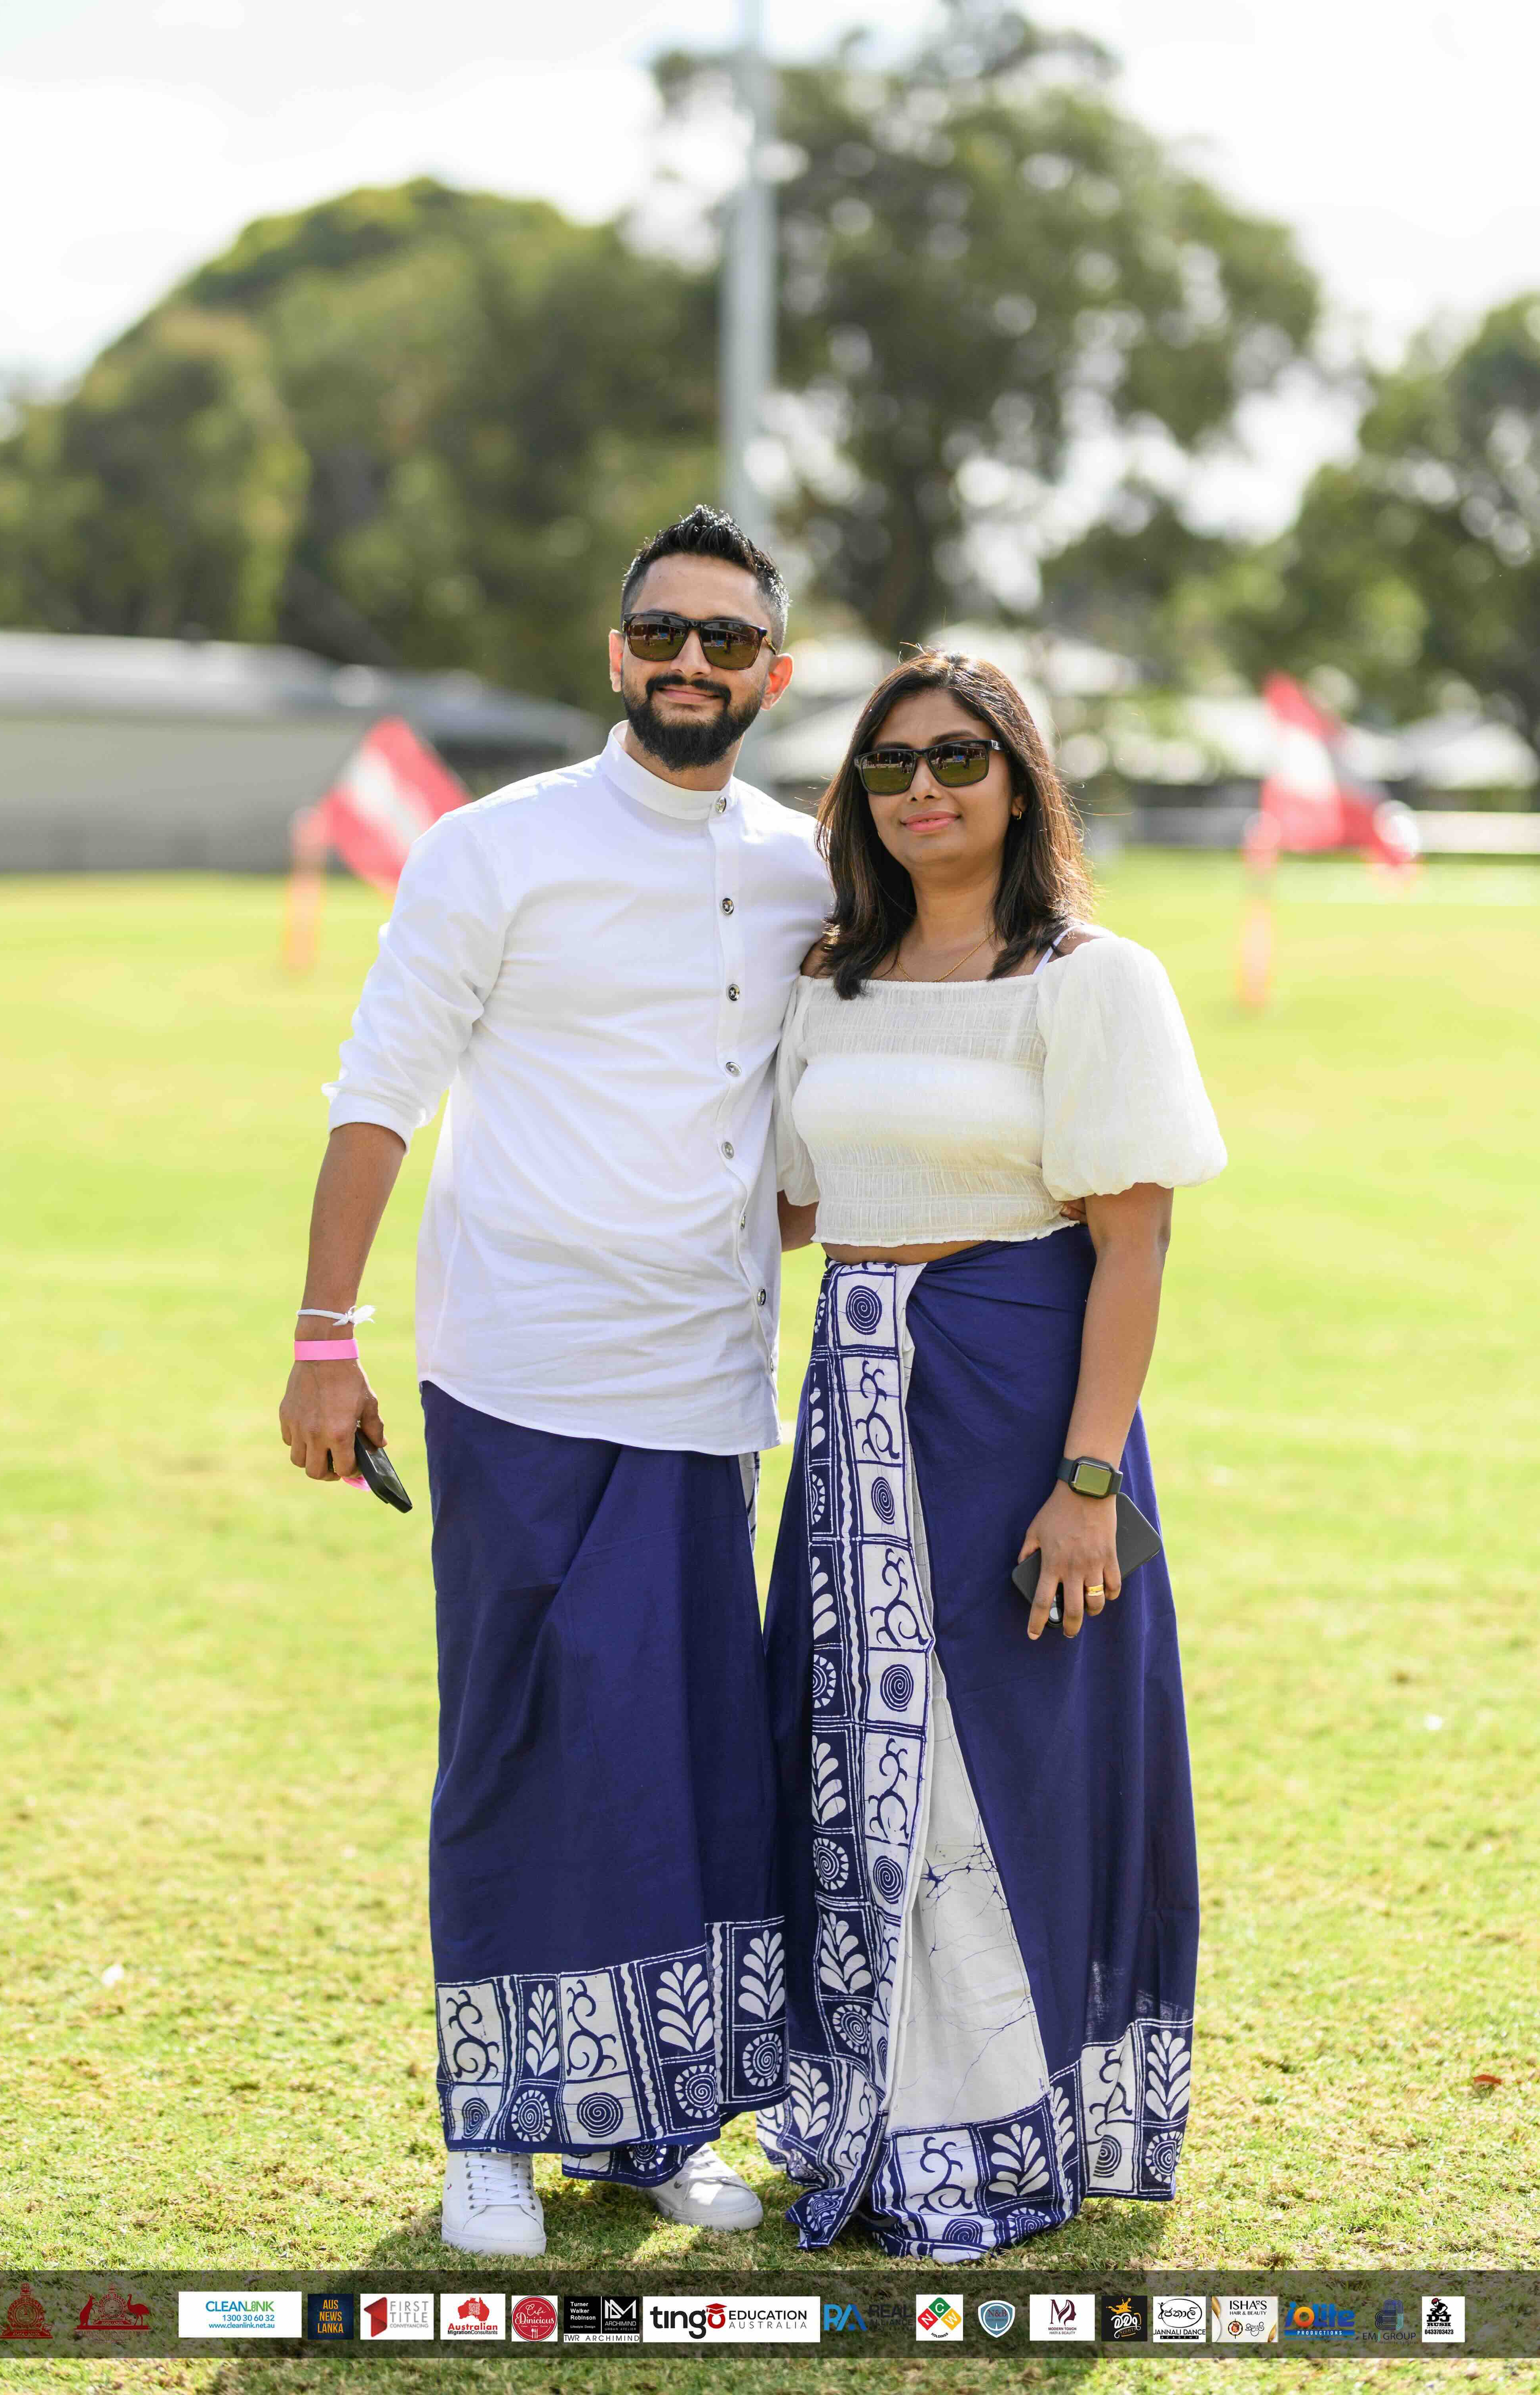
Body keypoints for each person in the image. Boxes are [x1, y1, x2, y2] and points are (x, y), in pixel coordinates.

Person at [277, 506, 830, 2257]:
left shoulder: (813, 868)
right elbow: (379, 1094)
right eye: (662, 633)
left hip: (705, 1384)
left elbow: (811, 1130)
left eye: (724, 642)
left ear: (771, 672)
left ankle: (654, 2119)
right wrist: (321, 1336)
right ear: (616, 653)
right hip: (513, 1373)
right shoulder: (491, 849)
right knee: (517, 1746)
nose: (689, 664)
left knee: (678, 1754)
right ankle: (494, 2134)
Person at [757, 649, 1226, 2257]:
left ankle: (1008, 2126)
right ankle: (875, 2117)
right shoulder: (830, 976)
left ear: (1019, 777)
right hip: (853, 1408)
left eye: (957, 759)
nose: (923, 793)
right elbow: (793, 1200)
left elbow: (1135, 1249)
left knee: (1004, 1744)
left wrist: (1089, 1481)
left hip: (1024, 1401)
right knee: (860, 1758)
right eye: (888, 769)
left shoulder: (1093, 977)